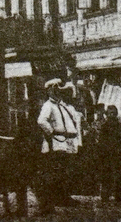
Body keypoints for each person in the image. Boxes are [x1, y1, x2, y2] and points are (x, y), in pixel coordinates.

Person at [36, 78, 81, 214]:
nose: (56, 93)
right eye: (53, 90)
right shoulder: (48, 106)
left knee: (66, 172)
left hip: (67, 143)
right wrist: (52, 131)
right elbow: (41, 121)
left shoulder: (63, 106)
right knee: (57, 172)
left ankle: (64, 197)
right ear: (49, 91)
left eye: (58, 90)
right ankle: (57, 198)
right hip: (56, 144)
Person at [97, 105, 121, 202]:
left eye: (114, 113)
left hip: (118, 154)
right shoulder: (104, 126)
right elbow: (101, 141)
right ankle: (105, 195)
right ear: (107, 114)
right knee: (106, 175)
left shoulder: (119, 126)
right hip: (107, 154)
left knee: (119, 174)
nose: (112, 115)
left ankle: (119, 194)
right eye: (110, 113)